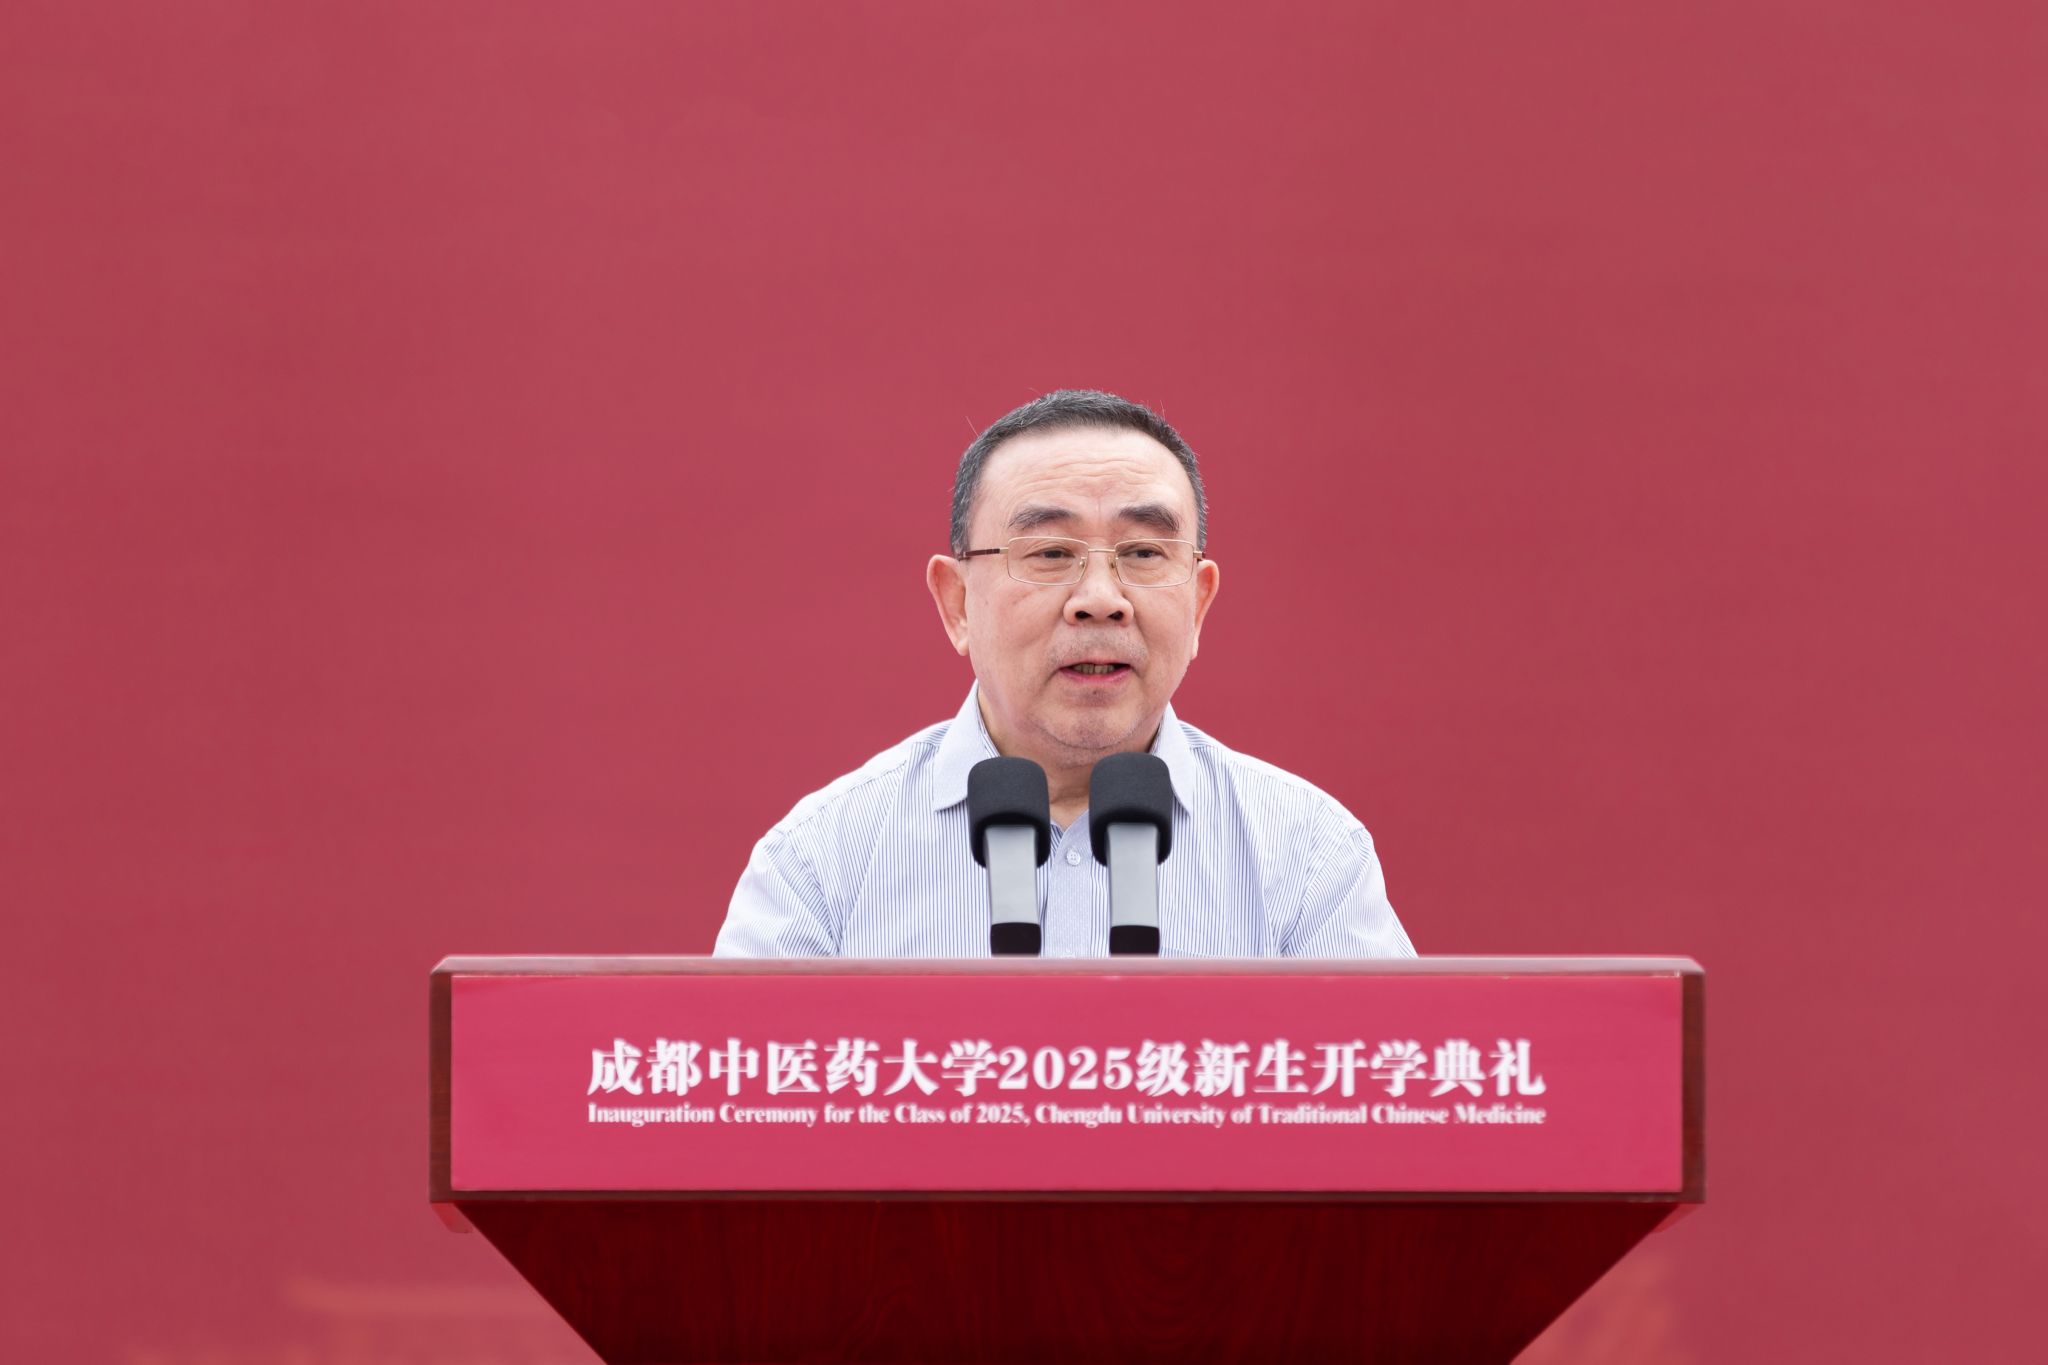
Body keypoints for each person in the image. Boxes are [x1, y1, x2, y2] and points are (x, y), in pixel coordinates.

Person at [713, 389, 1414, 959]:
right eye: (1050, 553)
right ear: (957, 603)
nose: (1101, 599)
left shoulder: (1308, 856)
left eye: (1143, 553)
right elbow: (745, 1086)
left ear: (1199, 603)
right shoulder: (823, 862)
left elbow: (1385, 1084)